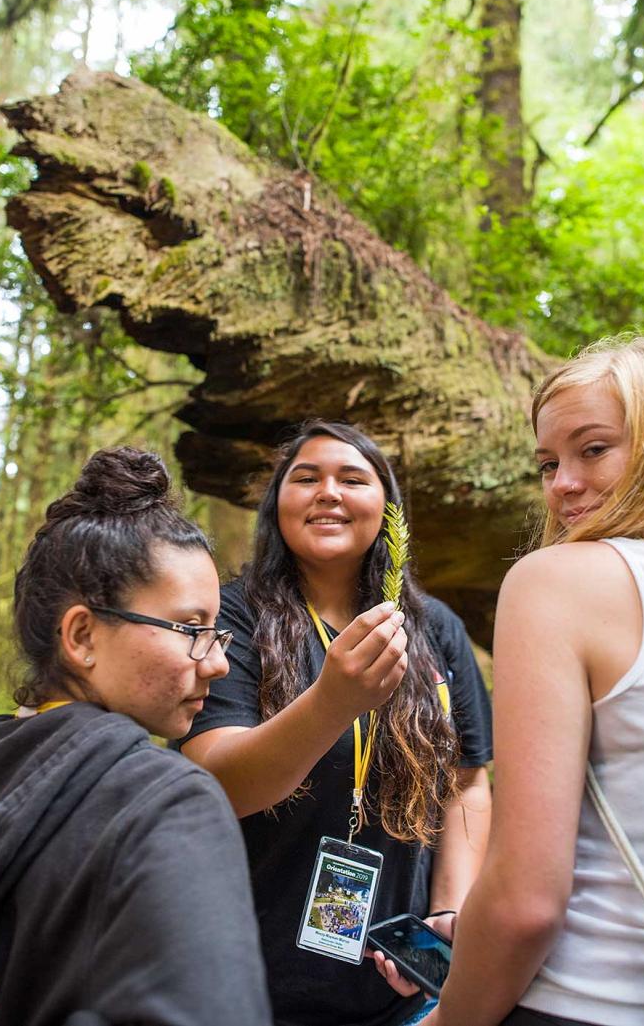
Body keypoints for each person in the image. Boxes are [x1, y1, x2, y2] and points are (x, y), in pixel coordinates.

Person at [377, 335, 644, 1025]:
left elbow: (526, 901)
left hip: (586, 1000)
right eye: (548, 462)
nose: (563, 484)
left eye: (595, 448)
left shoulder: (556, 582)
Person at [179, 419, 493, 1026]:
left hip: (397, 984)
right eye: (306, 478)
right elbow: (216, 783)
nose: (329, 492)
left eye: (353, 478)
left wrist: (449, 911)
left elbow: (467, 783)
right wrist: (332, 701)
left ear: (388, 510)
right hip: (245, 981)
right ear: (276, 506)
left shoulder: (435, 629)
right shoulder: (231, 616)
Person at [0, 447, 273, 1026]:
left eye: (218, 633)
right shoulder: (169, 802)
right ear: (82, 636)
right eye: (190, 628)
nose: (218, 665)